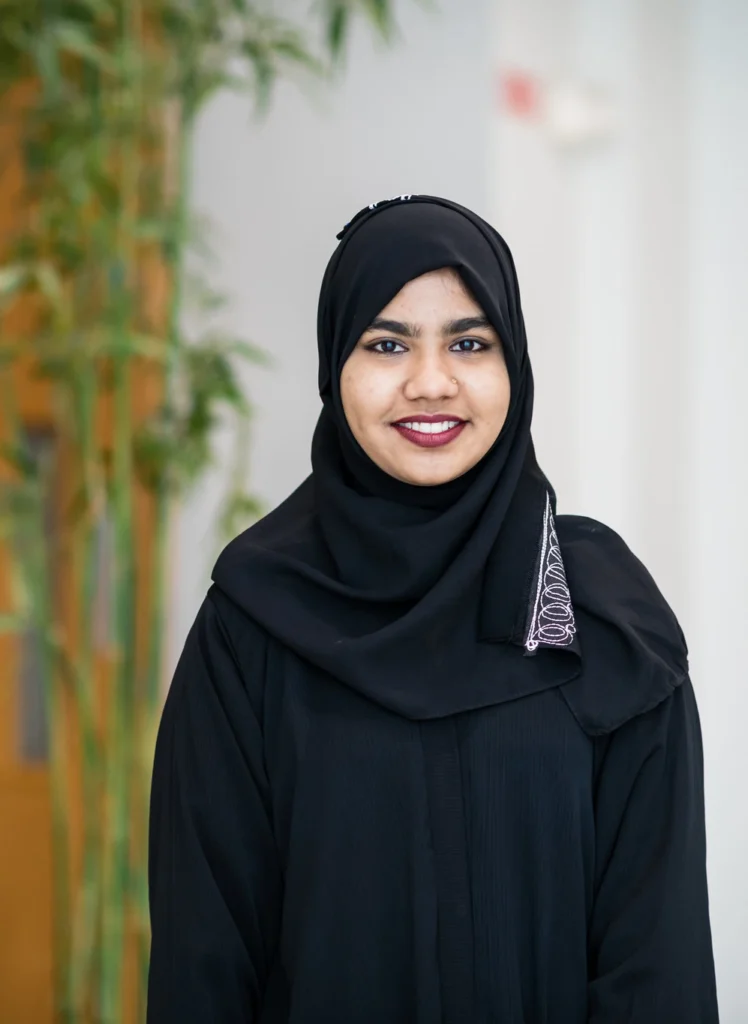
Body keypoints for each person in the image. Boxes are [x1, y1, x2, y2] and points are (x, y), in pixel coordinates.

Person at [146, 196, 719, 1024]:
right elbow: (205, 959)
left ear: (514, 366)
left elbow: (656, 964)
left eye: (469, 342)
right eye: (386, 343)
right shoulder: (255, 622)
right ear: (332, 366)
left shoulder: (603, 618)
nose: (430, 382)